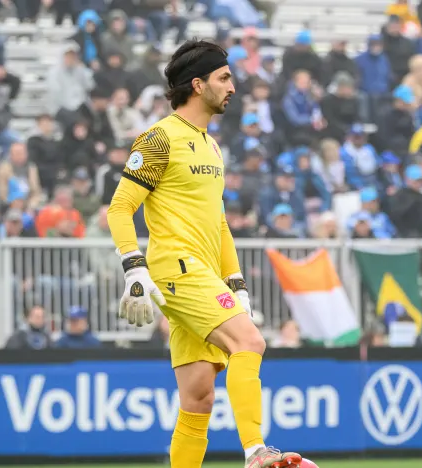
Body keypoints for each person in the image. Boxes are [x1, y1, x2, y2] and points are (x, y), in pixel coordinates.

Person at [105, 40, 301, 468]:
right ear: (198, 85)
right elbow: (120, 208)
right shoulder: (158, 138)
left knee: (198, 399)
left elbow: (220, 222)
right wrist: (133, 267)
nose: (233, 86)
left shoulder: (211, 146)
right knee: (249, 340)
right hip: (176, 268)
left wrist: (237, 283)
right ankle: (256, 450)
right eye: (224, 78)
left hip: (205, 273)